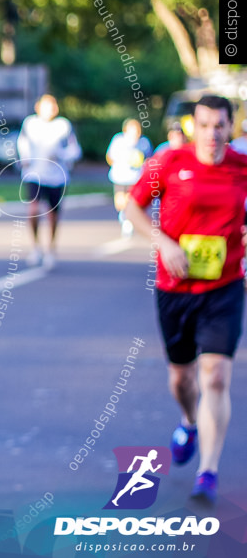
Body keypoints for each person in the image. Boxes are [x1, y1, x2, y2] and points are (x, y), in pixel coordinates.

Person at [125, 95, 247, 504]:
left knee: (215, 375)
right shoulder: (168, 163)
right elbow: (133, 206)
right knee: (182, 378)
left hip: (225, 287)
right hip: (174, 289)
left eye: (220, 126)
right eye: (205, 125)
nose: (213, 134)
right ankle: (189, 420)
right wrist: (165, 244)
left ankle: (207, 471)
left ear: (231, 128)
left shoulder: (242, 168)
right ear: (193, 126)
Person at [17, 94, 81, 269]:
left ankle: (50, 248)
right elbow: (22, 143)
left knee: (52, 214)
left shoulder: (63, 126)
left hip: (57, 177)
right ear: (38, 107)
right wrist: (25, 158)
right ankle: (36, 247)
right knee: (33, 210)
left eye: (52, 105)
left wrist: (60, 155)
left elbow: (75, 150)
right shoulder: (30, 124)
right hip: (34, 175)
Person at [105, 118, 153, 238]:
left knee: (130, 200)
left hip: (135, 178)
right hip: (120, 176)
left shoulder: (144, 143)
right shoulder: (118, 140)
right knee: (119, 203)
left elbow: (149, 159)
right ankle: (124, 214)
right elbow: (109, 157)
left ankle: (128, 221)